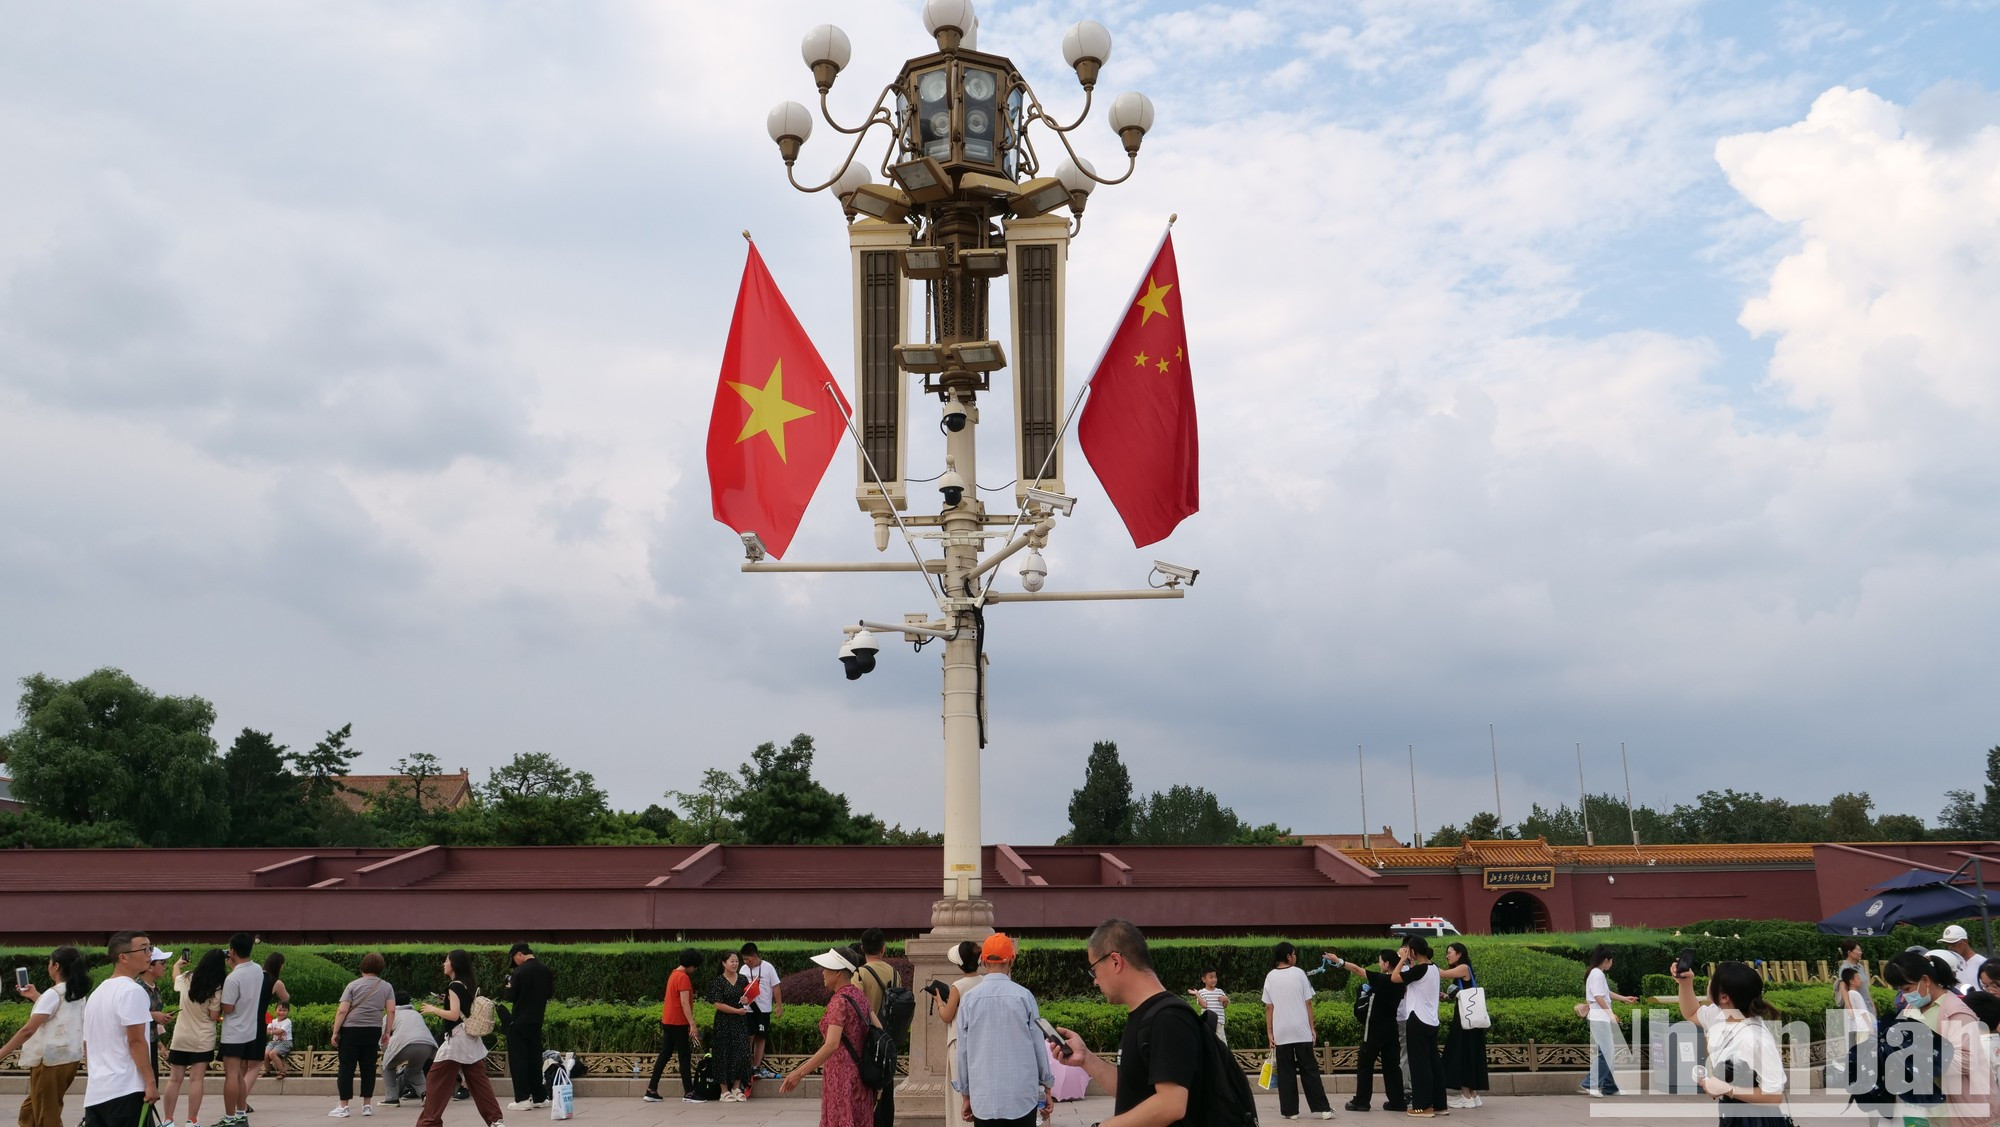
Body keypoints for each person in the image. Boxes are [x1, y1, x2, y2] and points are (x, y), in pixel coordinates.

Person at [1053, 919, 1202, 1127]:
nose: (1095, 981)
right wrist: (1085, 1058)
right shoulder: (1143, 1015)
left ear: (1116, 961)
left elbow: (1171, 1104)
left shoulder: (1168, 1018)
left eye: (1094, 970)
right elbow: (1132, 1089)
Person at [1879, 950, 2000, 1126]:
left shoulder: (1955, 1012)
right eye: (1900, 990)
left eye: (1907, 989)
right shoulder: (1910, 1010)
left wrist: (1916, 1058)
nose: (1904, 995)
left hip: (1962, 1109)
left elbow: (1966, 1060)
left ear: (1926, 980)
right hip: (1929, 1110)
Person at [954, 933, 1054, 1127]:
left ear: (983, 961)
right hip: (1021, 1098)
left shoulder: (969, 1000)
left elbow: (963, 1052)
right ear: (1012, 960)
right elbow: (1037, 1045)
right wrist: (1046, 1087)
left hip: (984, 1098)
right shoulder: (1024, 997)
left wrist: (965, 1094)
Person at [1673, 959, 1789, 1124]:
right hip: (1731, 1114)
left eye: (1712, 981)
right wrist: (1685, 983)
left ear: (1725, 997)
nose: (1708, 983)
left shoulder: (1755, 1039)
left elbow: (1774, 1096)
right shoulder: (1720, 1015)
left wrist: (1730, 1090)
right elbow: (1691, 1012)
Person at [781, 948, 878, 1127]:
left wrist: (798, 1073)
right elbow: (879, 1028)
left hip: (841, 1074)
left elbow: (831, 1044)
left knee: (840, 1119)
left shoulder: (839, 1001)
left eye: (826, 968)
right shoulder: (859, 995)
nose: (822, 973)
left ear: (839, 973)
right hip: (861, 1072)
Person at [0, 944, 91, 1127]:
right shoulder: (76, 992)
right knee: (31, 1109)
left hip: (50, 1061)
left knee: (46, 1113)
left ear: (56, 966)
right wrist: (35, 997)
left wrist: (2, 1053)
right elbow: (56, 1014)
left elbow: (28, 1030)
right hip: (68, 1058)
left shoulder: (54, 993)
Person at [413, 949, 504, 1127]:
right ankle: (495, 1120)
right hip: (471, 1040)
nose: (444, 964)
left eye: (446, 961)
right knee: (479, 1082)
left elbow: (454, 1015)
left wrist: (434, 1010)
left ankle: (429, 1123)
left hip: (457, 1041)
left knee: (435, 1081)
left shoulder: (454, 985)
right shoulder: (467, 984)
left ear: (453, 964)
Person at [82, 930, 160, 1127]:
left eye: (149, 947)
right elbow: (136, 1041)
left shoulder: (97, 994)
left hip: (97, 1092)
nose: (150, 953)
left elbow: (87, 1046)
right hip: (126, 1090)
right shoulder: (132, 991)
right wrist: (150, 1083)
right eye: (144, 949)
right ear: (123, 957)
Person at [1261, 942, 1334, 1121]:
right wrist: (1312, 1028)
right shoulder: (1299, 973)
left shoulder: (1270, 976)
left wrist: (1270, 1032)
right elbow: (1307, 1002)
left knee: (1286, 1072)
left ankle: (1290, 1111)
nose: (1295, 957)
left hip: (1281, 1031)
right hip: (1301, 1030)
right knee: (1309, 1069)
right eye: (1293, 954)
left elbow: (1269, 1007)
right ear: (1288, 956)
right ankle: (1322, 1109)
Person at [1325, 949, 1404, 1113]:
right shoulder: (1402, 982)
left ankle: (1361, 1101)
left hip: (1375, 1028)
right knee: (1392, 1066)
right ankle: (1397, 1102)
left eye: (1380, 960)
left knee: (1365, 1064)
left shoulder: (1381, 979)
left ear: (1387, 964)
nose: (1379, 963)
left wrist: (1338, 960)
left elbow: (1357, 970)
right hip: (1392, 1028)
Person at [162, 949, 227, 1127]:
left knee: (174, 1079)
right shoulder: (217, 986)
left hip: (181, 1036)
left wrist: (176, 965)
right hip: (202, 1038)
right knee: (196, 1080)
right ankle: (192, 1120)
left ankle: (168, 1120)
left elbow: (175, 977)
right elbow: (214, 1016)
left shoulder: (185, 978)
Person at [330, 952, 396, 1117]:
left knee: (346, 1067)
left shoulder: (353, 985)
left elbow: (343, 1010)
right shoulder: (387, 986)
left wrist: (335, 1031)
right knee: (368, 1068)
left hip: (351, 1030)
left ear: (362, 966)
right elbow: (391, 1010)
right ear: (381, 968)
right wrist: (387, 1031)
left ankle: (344, 1106)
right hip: (373, 1030)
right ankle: (367, 1105)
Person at [642, 948, 704, 1104]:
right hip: (678, 1022)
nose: (695, 970)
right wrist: (692, 1024)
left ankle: (651, 1090)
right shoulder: (683, 978)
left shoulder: (674, 974)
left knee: (665, 1055)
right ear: (691, 964)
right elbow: (684, 1003)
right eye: (695, 966)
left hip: (668, 1021)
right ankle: (689, 1092)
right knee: (684, 1056)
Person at [1391, 937, 1443, 1119]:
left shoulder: (1420, 970)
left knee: (1419, 1065)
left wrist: (1401, 960)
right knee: (1433, 1063)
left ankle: (1423, 1106)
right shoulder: (1434, 968)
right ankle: (1439, 1104)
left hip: (1417, 1020)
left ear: (1412, 951)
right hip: (1431, 1021)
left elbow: (1395, 977)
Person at [215, 933, 264, 1127]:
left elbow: (227, 1008)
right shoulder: (258, 969)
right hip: (250, 1031)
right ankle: (241, 1114)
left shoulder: (233, 978)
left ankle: (229, 1117)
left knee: (232, 1075)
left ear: (232, 951)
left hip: (233, 1032)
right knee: (239, 1076)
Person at [855, 929, 900, 1127]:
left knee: (867, 1088)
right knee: (886, 1085)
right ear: (883, 948)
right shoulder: (895, 973)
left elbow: (856, 1007)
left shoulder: (860, 974)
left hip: (868, 1041)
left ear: (862, 948)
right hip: (888, 1039)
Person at [936, 941, 985, 1122]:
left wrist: (939, 1003)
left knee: (960, 1093)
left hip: (959, 1043)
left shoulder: (958, 985)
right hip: (980, 1042)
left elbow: (947, 1016)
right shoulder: (985, 981)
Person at [502, 943, 554, 1111]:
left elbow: (511, 997)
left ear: (519, 955)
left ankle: (522, 1099)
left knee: (519, 1061)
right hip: (536, 1021)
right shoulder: (545, 970)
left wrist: (508, 985)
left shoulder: (518, 972)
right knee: (534, 1059)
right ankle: (540, 1097)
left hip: (519, 1022)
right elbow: (549, 993)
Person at [1581, 944, 1636, 1098]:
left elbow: (1605, 993)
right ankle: (1590, 1084)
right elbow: (1599, 997)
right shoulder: (1597, 974)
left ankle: (1609, 1087)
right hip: (1599, 1017)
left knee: (1607, 1052)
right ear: (1606, 960)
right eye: (1611, 961)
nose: (1612, 963)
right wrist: (1610, 1013)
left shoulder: (1596, 973)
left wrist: (1624, 999)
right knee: (1607, 1053)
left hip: (1599, 1017)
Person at [1439, 942, 1487, 1110]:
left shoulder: (1463, 967)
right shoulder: (1464, 970)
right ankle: (1473, 1095)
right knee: (1471, 1053)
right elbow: (1461, 994)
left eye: (1449, 952)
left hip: (1464, 1020)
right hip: (1471, 1019)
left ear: (1459, 954)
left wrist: (1423, 964)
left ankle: (1466, 1096)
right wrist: (1445, 996)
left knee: (1463, 1054)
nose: (1447, 955)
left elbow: (1441, 973)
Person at [243, 953, 289, 1112]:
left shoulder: (251, 975)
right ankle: (241, 1103)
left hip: (240, 1023)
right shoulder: (275, 982)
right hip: (257, 1024)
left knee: (241, 1064)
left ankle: (237, 1103)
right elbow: (286, 998)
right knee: (254, 1065)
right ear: (278, 966)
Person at [705, 951, 753, 1102]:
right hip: (723, 1023)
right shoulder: (718, 982)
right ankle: (724, 1090)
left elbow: (748, 998)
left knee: (741, 1053)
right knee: (723, 1053)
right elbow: (718, 1004)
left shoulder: (743, 979)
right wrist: (736, 1011)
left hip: (740, 1023)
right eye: (731, 961)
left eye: (737, 961)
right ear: (724, 963)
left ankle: (736, 1087)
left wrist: (746, 1000)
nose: (735, 964)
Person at [379, 991, 437, 1107]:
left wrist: (386, 1051)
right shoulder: (416, 1014)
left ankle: (392, 1098)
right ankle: (426, 1095)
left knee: (387, 1067)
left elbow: (384, 1038)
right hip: (427, 1045)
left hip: (405, 1044)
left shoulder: (390, 1014)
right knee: (414, 1071)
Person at [740, 943, 784, 1080]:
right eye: (745, 960)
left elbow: (776, 987)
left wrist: (779, 1006)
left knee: (761, 1037)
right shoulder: (743, 969)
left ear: (755, 955)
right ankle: (745, 1067)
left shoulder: (768, 967)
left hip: (764, 1010)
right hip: (748, 1009)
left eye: (749, 959)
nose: (747, 962)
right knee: (749, 1037)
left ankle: (756, 1067)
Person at [143, 949, 171, 1081]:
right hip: (140, 1044)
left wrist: (160, 1044)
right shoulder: (137, 988)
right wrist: (154, 1015)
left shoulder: (156, 989)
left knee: (154, 1081)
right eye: (162, 962)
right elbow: (129, 1015)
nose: (165, 966)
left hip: (152, 1041)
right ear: (149, 966)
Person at [1188, 968, 1229, 1044]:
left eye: (1215, 977)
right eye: (1211, 977)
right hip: (1207, 1022)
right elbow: (1204, 1005)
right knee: (1208, 1042)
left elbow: (1224, 1006)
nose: (1214, 979)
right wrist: (1197, 994)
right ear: (1204, 979)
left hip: (1219, 1022)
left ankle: (1222, 1055)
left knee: (1221, 1043)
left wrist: (1226, 999)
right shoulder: (1201, 992)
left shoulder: (1220, 991)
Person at [1941, 926, 1987, 993]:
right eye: (1947, 944)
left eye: (1953, 944)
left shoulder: (1982, 963)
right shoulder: (1951, 964)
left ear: (1965, 941)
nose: (1950, 947)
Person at [263, 1003, 294, 1080]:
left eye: (284, 1010)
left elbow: (280, 1031)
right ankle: (267, 1071)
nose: (282, 1012)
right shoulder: (273, 1021)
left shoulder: (288, 1021)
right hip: (274, 1042)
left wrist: (270, 1032)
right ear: (275, 1011)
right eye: (280, 1010)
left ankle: (283, 1072)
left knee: (272, 1054)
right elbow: (268, 1029)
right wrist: (268, 1031)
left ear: (288, 1012)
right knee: (265, 1054)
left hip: (286, 1042)